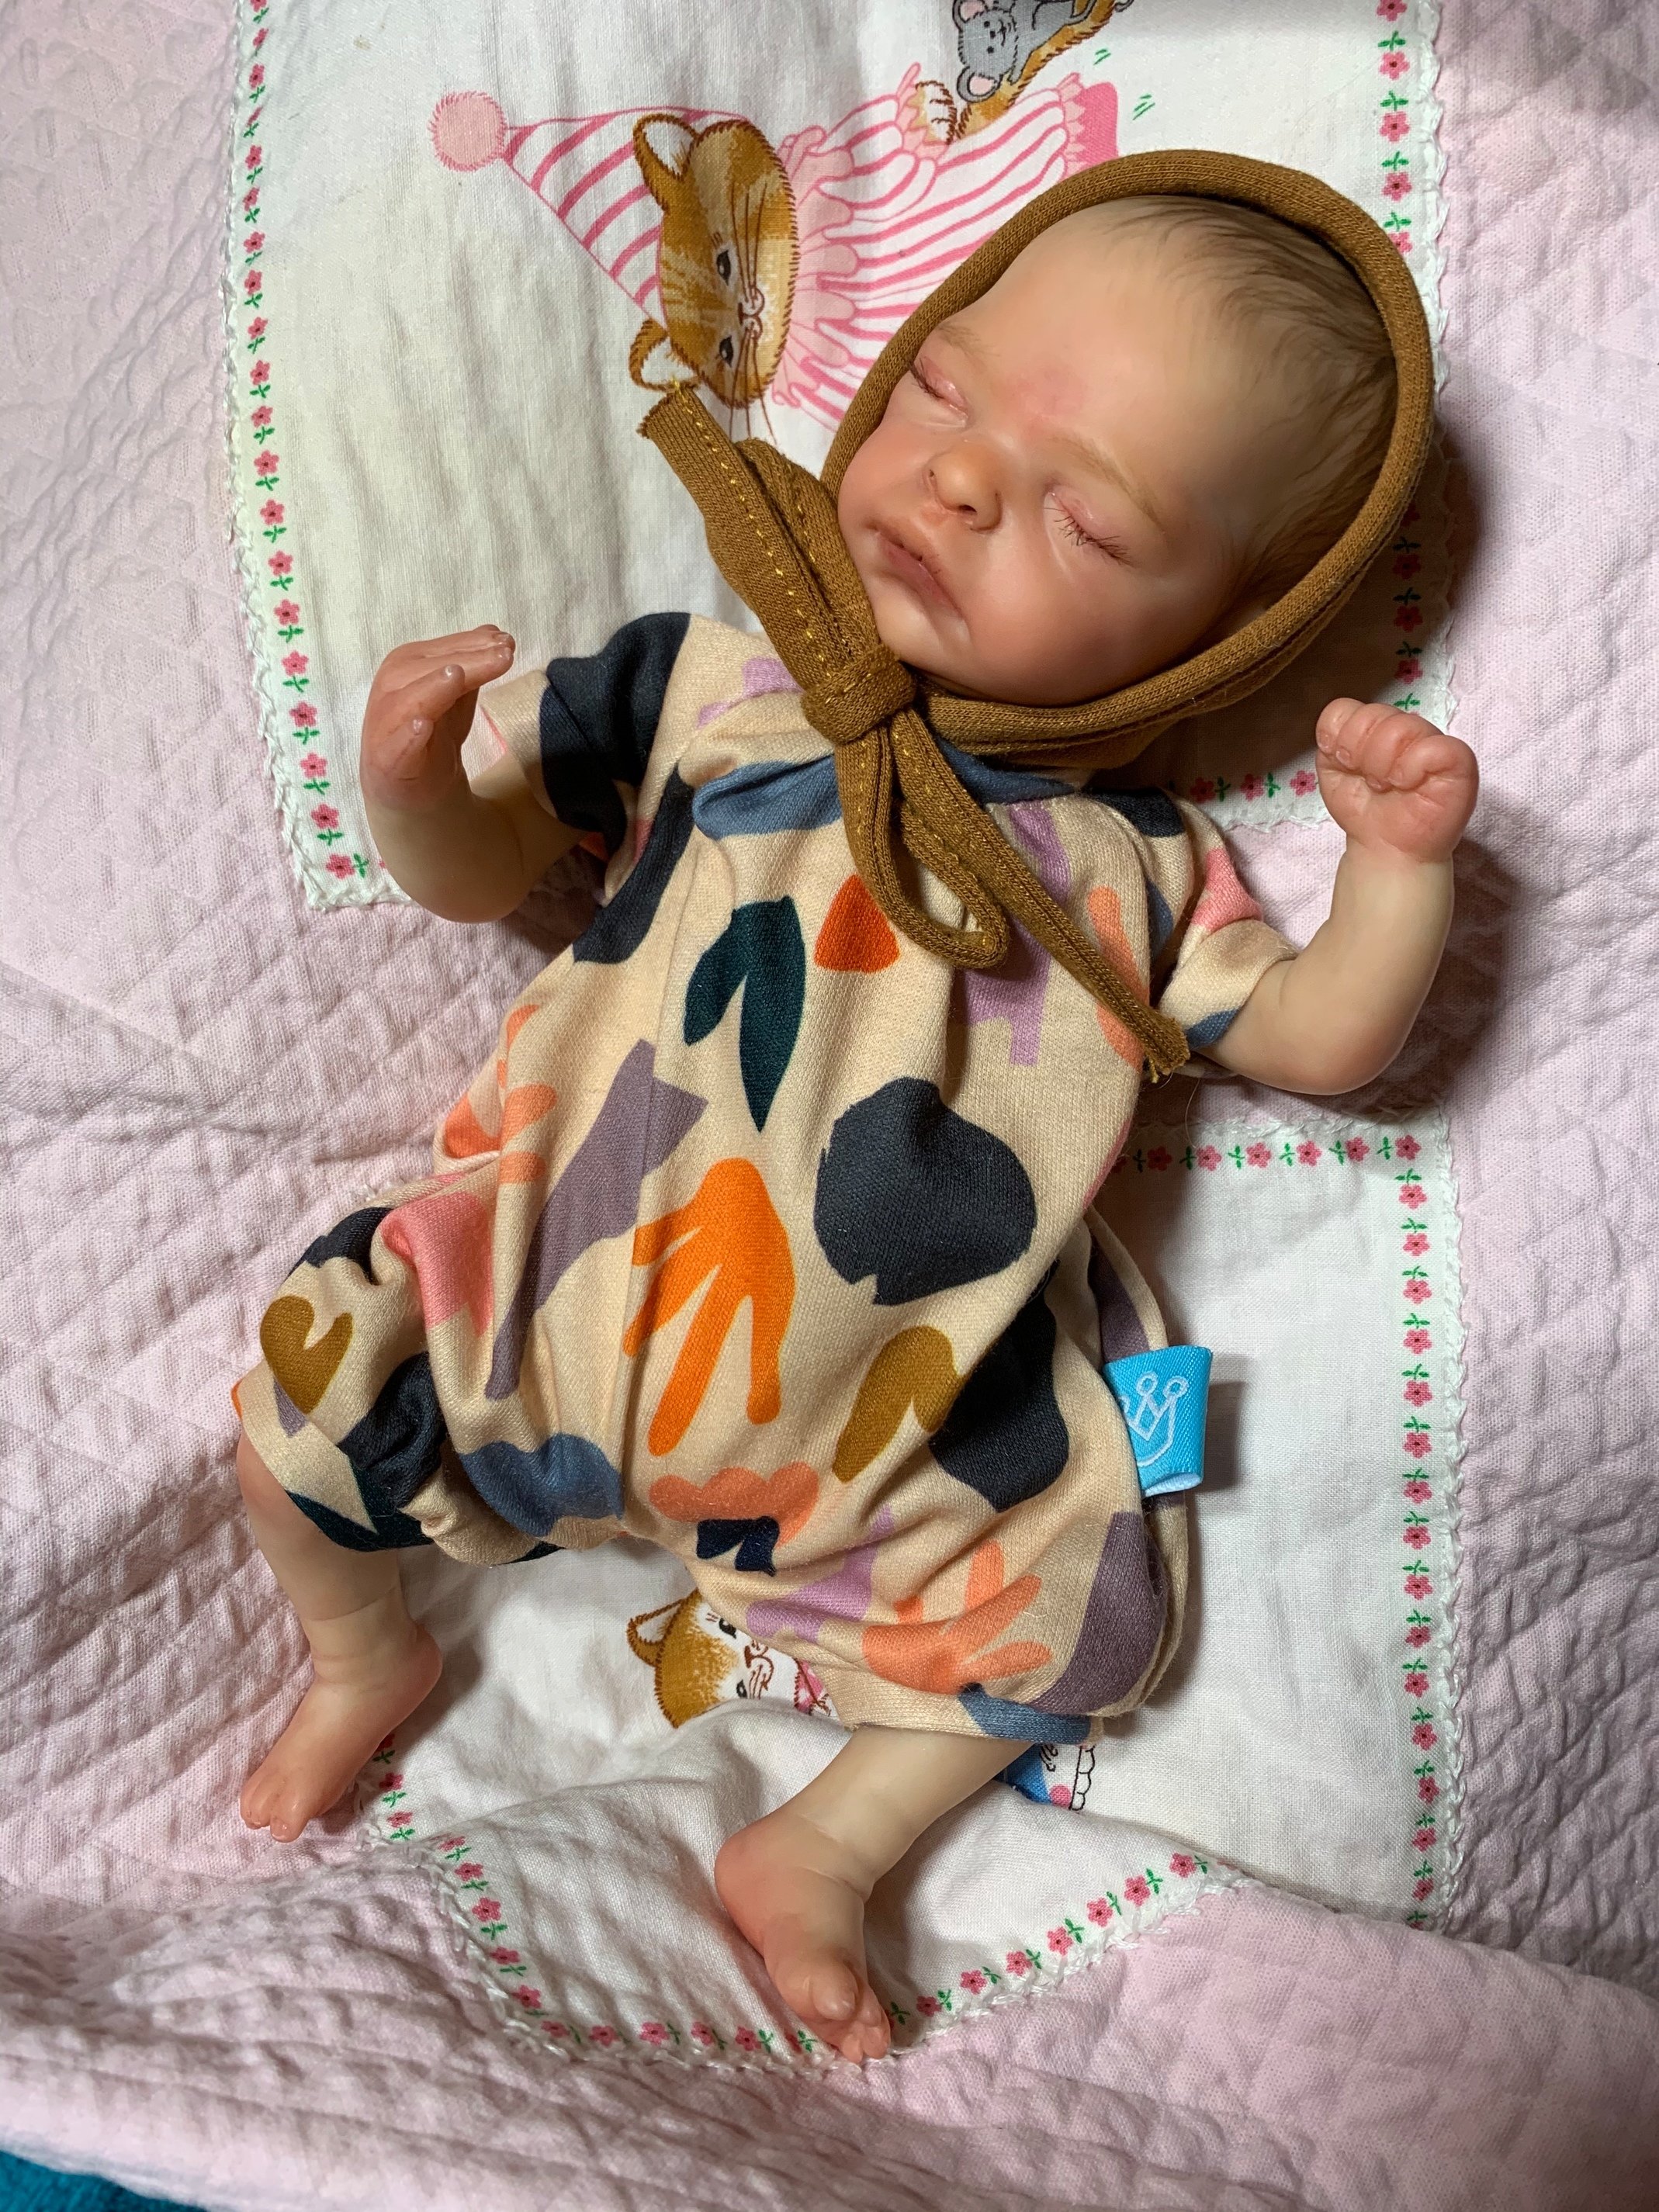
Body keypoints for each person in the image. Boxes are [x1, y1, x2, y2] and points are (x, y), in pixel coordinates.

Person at [232, 173, 1477, 2062]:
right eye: (945, 392)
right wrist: (416, 785)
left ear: (1213, 644)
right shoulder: (706, 690)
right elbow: (488, 870)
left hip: (885, 1438)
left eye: (1081, 513)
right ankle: (363, 1647)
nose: (962, 480)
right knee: (293, 1410)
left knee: (1076, 1620)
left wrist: (1396, 873)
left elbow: (1317, 1035)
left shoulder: (1129, 865)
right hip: (534, 1309)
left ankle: (820, 1843)